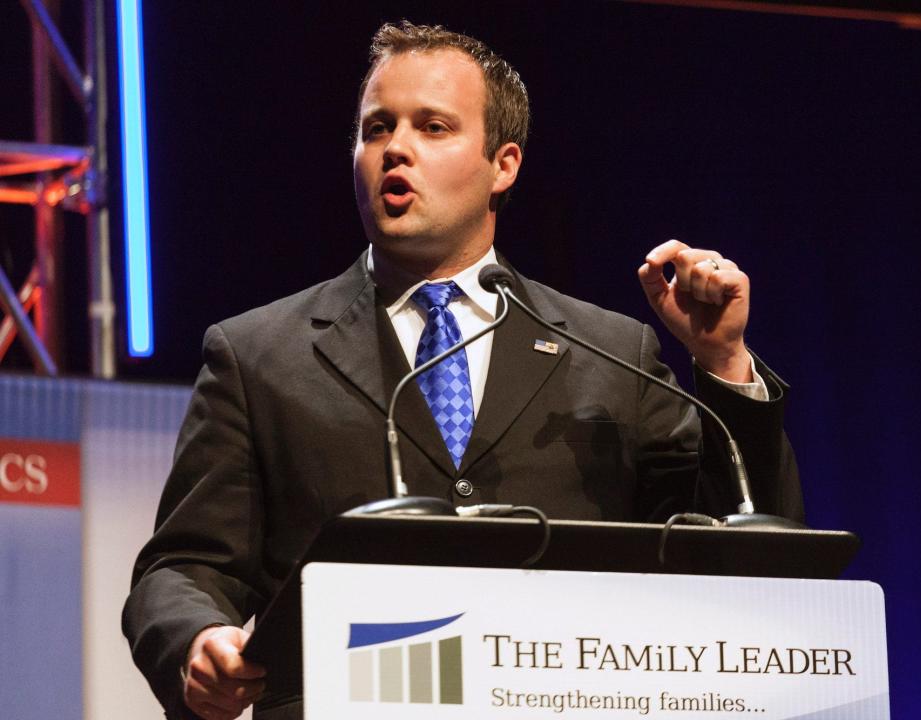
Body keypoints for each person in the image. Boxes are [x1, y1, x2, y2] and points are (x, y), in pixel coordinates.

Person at [123, 21, 802, 720]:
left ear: (503, 164)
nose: (396, 150)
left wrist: (722, 362)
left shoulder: (613, 354)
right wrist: (197, 637)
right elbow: (182, 566)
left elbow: (733, 548)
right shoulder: (259, 353)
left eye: (433, 127)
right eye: (376, 128)